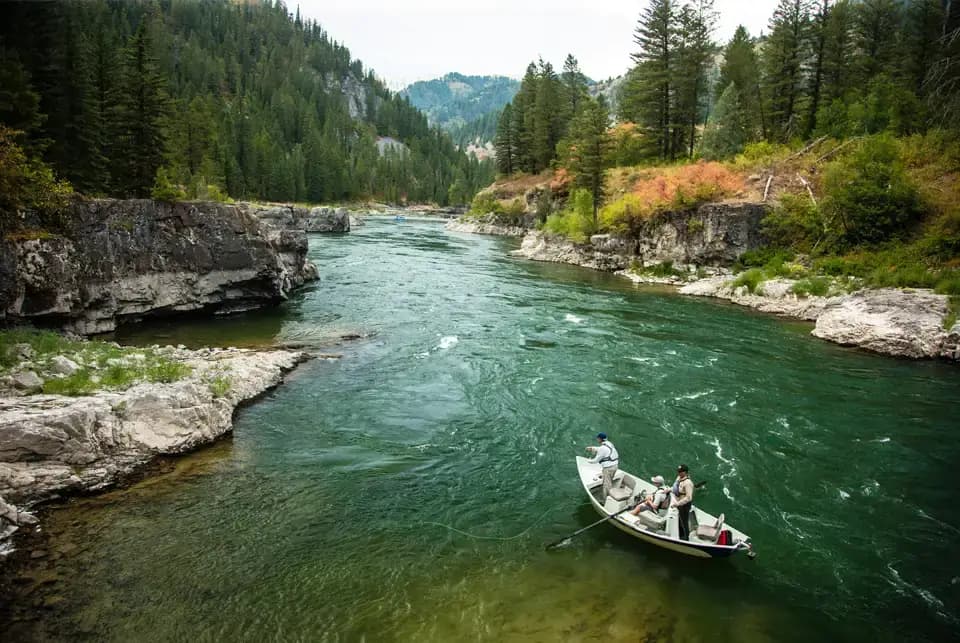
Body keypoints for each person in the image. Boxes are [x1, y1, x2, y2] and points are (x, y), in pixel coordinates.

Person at [585, 432, 619, 498]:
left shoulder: (602, 448)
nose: (597, 439)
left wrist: (588, 461)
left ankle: (606, 500)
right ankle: (609, 495)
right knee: (609, 481)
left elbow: (595, 460)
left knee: (606, 485)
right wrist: (592, 448)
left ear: (599, 439)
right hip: (615, 466)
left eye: (597, 438)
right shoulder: (609, 443)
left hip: (608, 469)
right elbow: (603, 450)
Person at [671, 464, 695, 540]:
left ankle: (686, 537)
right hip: (679, 503)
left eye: (681, 472)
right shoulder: (679, 478)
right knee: (680, 518)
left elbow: (689, 497)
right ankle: (680, 533)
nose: (679, 473)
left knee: (684, 521)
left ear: (685, 472)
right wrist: (669, 489)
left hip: (684, 505)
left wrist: (677, 504)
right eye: (678, 471)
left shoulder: (688, 483)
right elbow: (676, 488)